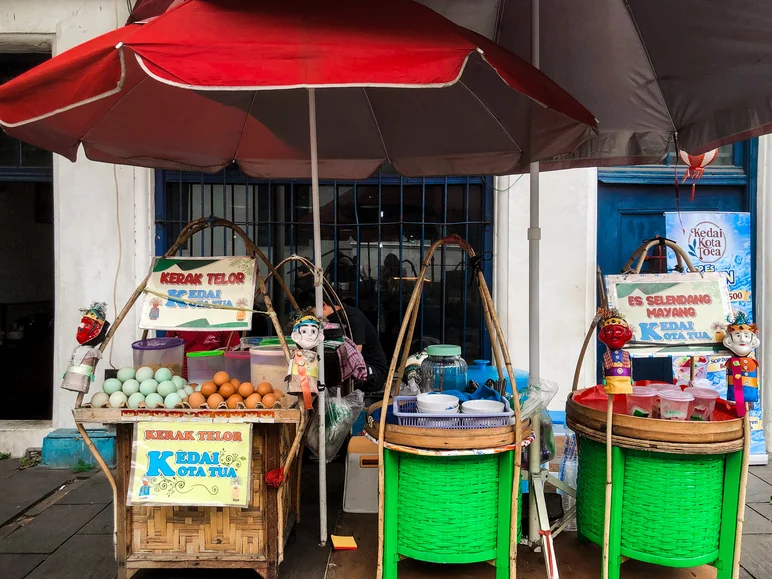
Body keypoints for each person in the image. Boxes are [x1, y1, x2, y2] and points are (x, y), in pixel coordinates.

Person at [297, 291, 388, 392]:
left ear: (323, 305)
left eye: (312, 314)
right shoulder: (327, 321)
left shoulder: (352, 318)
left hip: (373, 373)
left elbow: (356, 355)